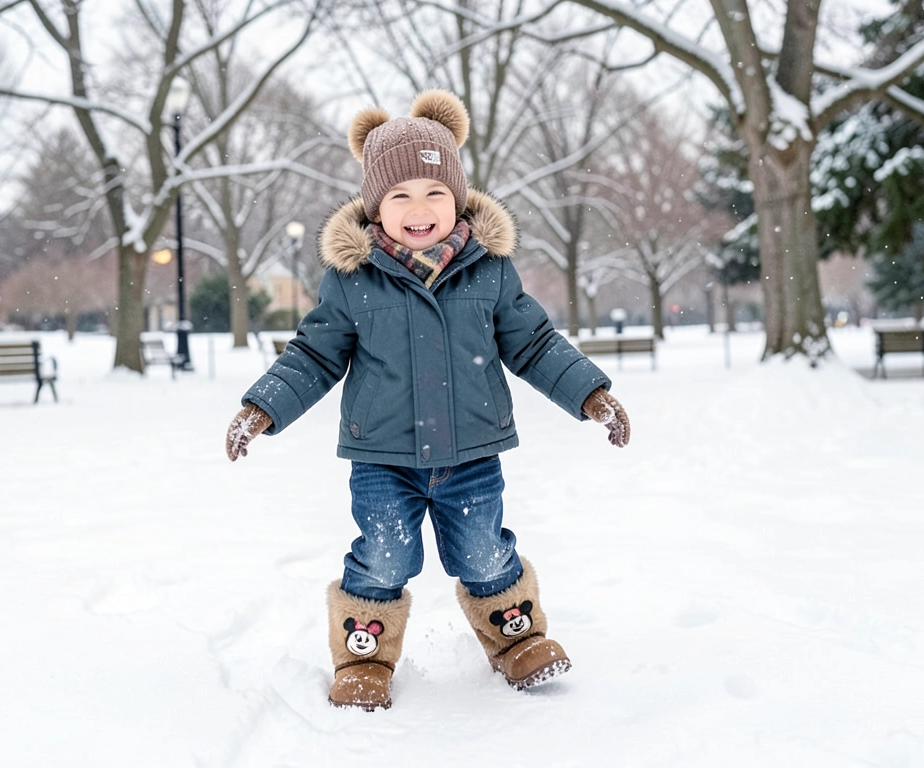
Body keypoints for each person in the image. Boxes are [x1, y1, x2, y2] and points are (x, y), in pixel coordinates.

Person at [225, 90, 630, 711]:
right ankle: (365, 660)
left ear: (459, 198)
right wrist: (264, 406)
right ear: (376, 206)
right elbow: (314, 354)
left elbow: (535, 344)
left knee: (484, 550)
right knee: (384, 554)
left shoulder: (489, 272)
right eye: (400, 197)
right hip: (383, 456)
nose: (420, 209)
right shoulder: (352, 278)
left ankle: (516, 642)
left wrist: (591, 394)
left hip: (472, 453)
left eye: (434, 193)